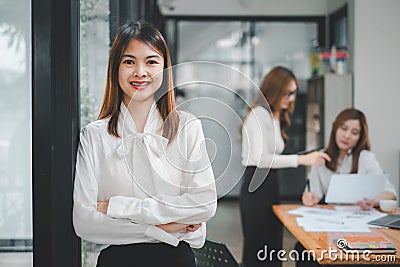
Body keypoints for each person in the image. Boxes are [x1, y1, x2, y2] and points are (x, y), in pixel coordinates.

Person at [72, 21, 217, 267]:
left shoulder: (187, 127)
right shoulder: (94, 135)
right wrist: (164, 228)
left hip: (176, 260)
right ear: (115, 68)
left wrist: (118, 206)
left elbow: (204, 204)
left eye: (151, 62)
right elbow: (84, 223)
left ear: (164, 68)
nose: (140, 72)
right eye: (129, 62)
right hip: (117, 260)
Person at [240, 66, 331, 267]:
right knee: (258, 249)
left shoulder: (275, 115)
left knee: (272, 248)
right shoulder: (259, 114)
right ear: (274, 90)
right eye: (287, 93)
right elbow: (260, 158)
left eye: (293, 93)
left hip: (270, 183)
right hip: (256, 184)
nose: (291, 98)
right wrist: (301, 160)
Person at [302, 108, 397, 209]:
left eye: (354, 133)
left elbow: (390, 194)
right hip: (331, 217)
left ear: (360, 137)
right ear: (335, 128)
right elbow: (314, 193)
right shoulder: (321, 157)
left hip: (359, 217)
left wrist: (373, 201)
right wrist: (309, 198)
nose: (347, 136)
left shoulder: (365, 158)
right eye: (343, 128)